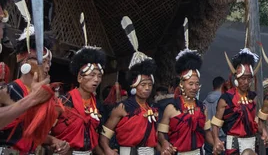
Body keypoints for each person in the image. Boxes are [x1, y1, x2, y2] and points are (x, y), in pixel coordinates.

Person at [101, 18, 159, 155]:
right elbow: (104, 135)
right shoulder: (122, 107)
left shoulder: (151, 108)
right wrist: (107, 149)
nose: (147, 88)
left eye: (149, 85)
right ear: (134, 85)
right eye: (143, 84)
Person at [0, 25, 62, 154]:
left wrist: (52, 140)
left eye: (48, 62)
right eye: (41, 61)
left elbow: (32, 133)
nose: (46, 66)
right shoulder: (7, 91)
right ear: (25, 62)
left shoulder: (45, 96)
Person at [50, 44, 107, 155]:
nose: (96, 79)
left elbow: (94, 140)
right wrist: (55, 143)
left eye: (99, 76)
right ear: (80, 78)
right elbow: (43, 134)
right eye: (92, 75)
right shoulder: (63, 102)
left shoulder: (96, 105)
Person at [158, 42, 213, 155]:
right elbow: (161, 134)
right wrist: (164, 143)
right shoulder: (171, 108)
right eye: (191, 83)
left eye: (197, 84)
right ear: (182, 85)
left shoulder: (203, 108)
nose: (194, 87)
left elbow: (207, 133)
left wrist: (217, 143)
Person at [212, 49, 260, 155]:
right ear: (236, 78)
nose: (246, 82)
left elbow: (256, 120)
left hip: (252, 145)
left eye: (249, 78)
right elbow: (216, 123)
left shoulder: (254, 97)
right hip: (233, 148)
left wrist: (264, 132)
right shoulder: (226, 98)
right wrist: (216, 139)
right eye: (243, 78)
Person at [204, 76, 226, 155]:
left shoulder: (204, 102)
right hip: (222, 140)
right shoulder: (224, 101)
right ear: (223, 86)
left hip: (208, 140)